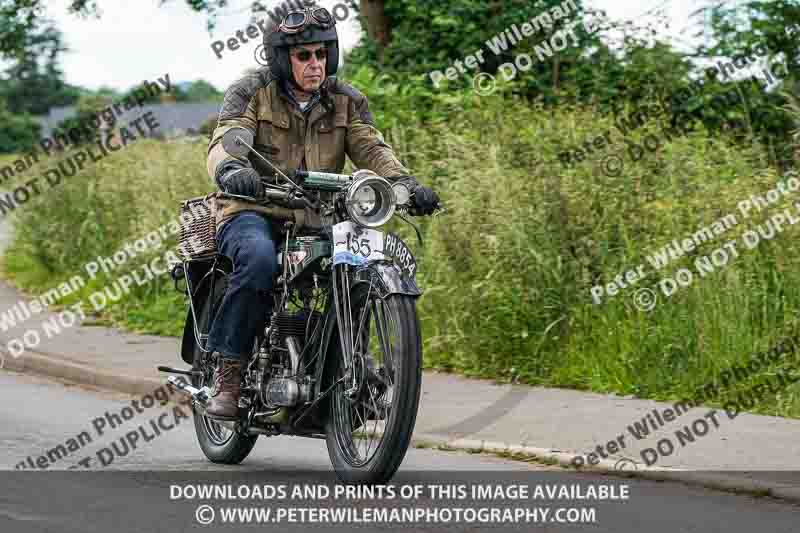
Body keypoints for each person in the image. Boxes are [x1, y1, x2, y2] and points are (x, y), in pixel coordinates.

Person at [203, 6, 440, 419]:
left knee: (357, 264)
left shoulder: (347, 101)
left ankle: (351, 369)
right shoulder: (251, 92)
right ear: (281, 57)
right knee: (258, 261)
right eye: (303, 56)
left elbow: (372, 149)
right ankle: (231, 372)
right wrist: (230, 168)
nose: (315, 64)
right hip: (252, 209)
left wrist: (406, 186)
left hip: (317, 216)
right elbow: (227, 139)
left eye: (321, 53)